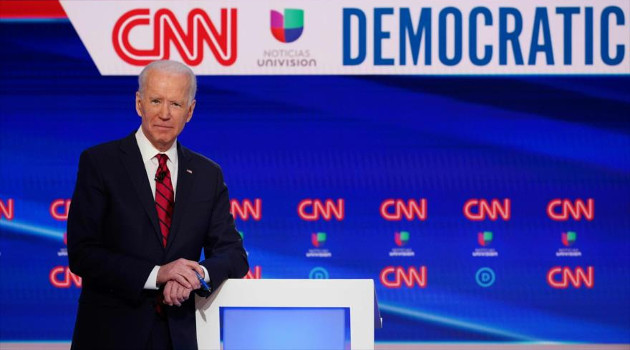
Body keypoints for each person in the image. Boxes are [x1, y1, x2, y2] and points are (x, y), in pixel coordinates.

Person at [67, 60, 249, 350]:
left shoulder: (207, 174)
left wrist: (195, 276)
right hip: (110, 336)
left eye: (176, 104)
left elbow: (233, 254)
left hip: (178, 337)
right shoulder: (100, 163)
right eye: (155, 101)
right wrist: (157, 274)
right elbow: (83, 253)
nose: (164, 114)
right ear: (139, 104)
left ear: (190, 111)